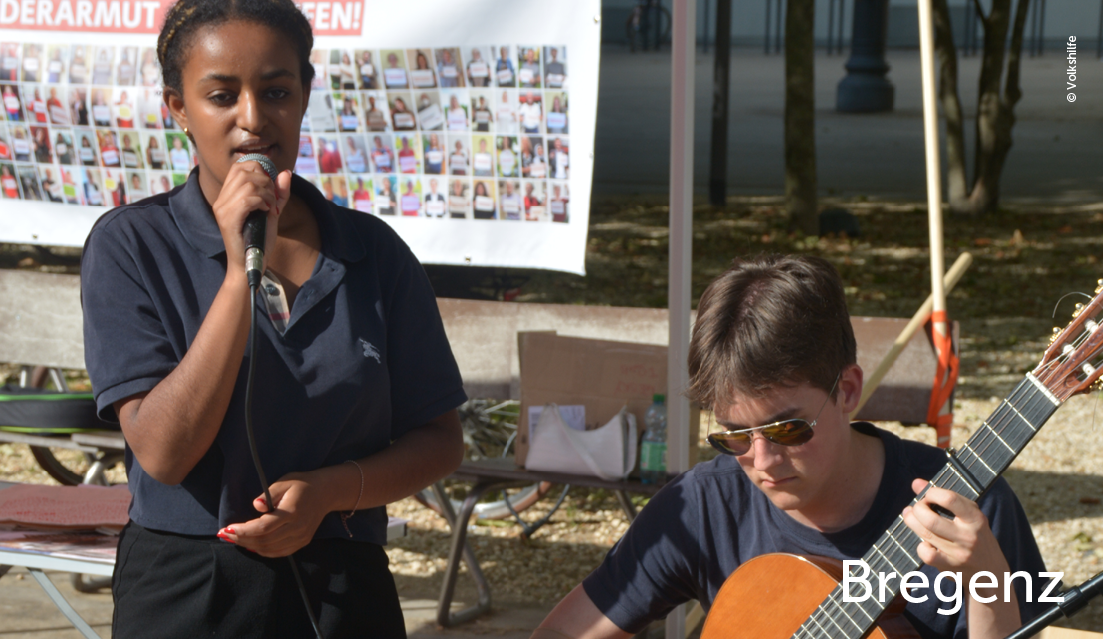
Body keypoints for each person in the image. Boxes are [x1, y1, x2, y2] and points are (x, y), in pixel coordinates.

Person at [80, 1, 465, 636]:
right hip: (188, 586)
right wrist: (239, 273)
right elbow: (165, 454)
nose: (253, 118)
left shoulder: (372, 250)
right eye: (221, 96)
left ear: (306, 94)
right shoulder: (131, 245)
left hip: (343, 582)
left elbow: (440, 438)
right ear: (178, 108)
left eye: (277, 91)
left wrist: (331, 491)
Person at [532, 254, 1049, 639]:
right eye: (734, 435)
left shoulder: (971, 510)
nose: (763, 460)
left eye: (787, 429)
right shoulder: (704, 507)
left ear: (847, 390)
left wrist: (990, 582)